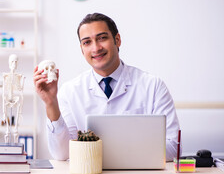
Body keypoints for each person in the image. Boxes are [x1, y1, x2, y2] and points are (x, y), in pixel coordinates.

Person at [33, 12, 181, 161]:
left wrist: (104, 153)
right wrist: (51, 103)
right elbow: (62, 154)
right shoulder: (69, 91)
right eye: (87, 42)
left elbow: (173, 148)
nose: (96, 48)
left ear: (117, 40)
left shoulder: (153, 86)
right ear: (82, 49)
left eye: (102, 38)